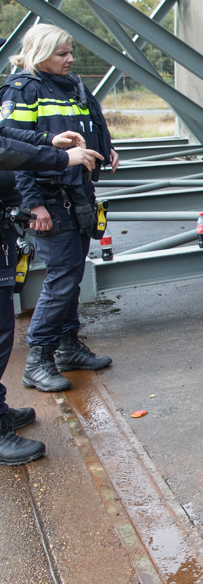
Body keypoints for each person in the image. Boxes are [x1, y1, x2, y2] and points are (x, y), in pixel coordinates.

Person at [0, 24, 118, 394]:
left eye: (70, 52)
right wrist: (32, 202)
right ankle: (38, 359)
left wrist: (107, 147)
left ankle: (67, 347)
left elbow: (91, 120)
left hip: (77, 192)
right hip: (48, 197)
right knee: (62, 276)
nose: (70, 59)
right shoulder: (23, 90)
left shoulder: (72, 86)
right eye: (61, 54)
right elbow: (12, 155)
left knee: (72, 274)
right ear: (39, 53)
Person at [0, 126, 103, 465]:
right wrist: (59, 157)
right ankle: (37, 363)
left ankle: (0, 407)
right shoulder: (24, 88)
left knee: (6, 324)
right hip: (42, 201)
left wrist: (47, 141)